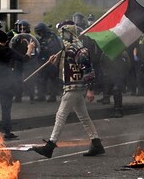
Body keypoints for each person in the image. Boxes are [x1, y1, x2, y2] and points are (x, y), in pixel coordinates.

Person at [32, 20, 105, 158]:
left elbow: (88, 69)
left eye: (62, 33)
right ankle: (96, 143)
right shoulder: (71, 48)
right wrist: (56, 62)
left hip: (74, 88)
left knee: (60, 116)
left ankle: (50, 146)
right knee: (84, 117)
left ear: (67, 32)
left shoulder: (77, 49)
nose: (61, 36)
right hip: (74, 87)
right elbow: (67, 69)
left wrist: (90, 89)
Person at [34, 22, 63, 102]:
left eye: (40, 32)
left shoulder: (52, 37)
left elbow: (55, 49)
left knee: (52, 79)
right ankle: (41, 95)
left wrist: (45, 48)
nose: (39, 34)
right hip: (42, 60)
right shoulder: (41, 39)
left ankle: (52, 96)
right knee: (40, 78)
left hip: (51, 61)